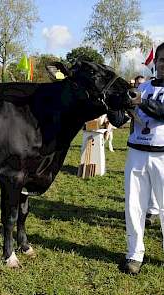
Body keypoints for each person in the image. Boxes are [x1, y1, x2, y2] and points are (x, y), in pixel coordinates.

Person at [108, 42, 164, 275]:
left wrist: (141, 101)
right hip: (136, 153)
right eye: (161, 60)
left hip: (162, 155)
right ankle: (134, 254)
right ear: (155, 62)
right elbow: (120, 120)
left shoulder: (141, 93)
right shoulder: (144, 86)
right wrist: (114, 107)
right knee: (133, 206)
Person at [134, 75, 159, 226]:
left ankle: (154, 210)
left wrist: (141, 102)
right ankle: (148, 210)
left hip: (160, 144)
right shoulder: (143, 88)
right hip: (140, 143)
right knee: (146, 181)